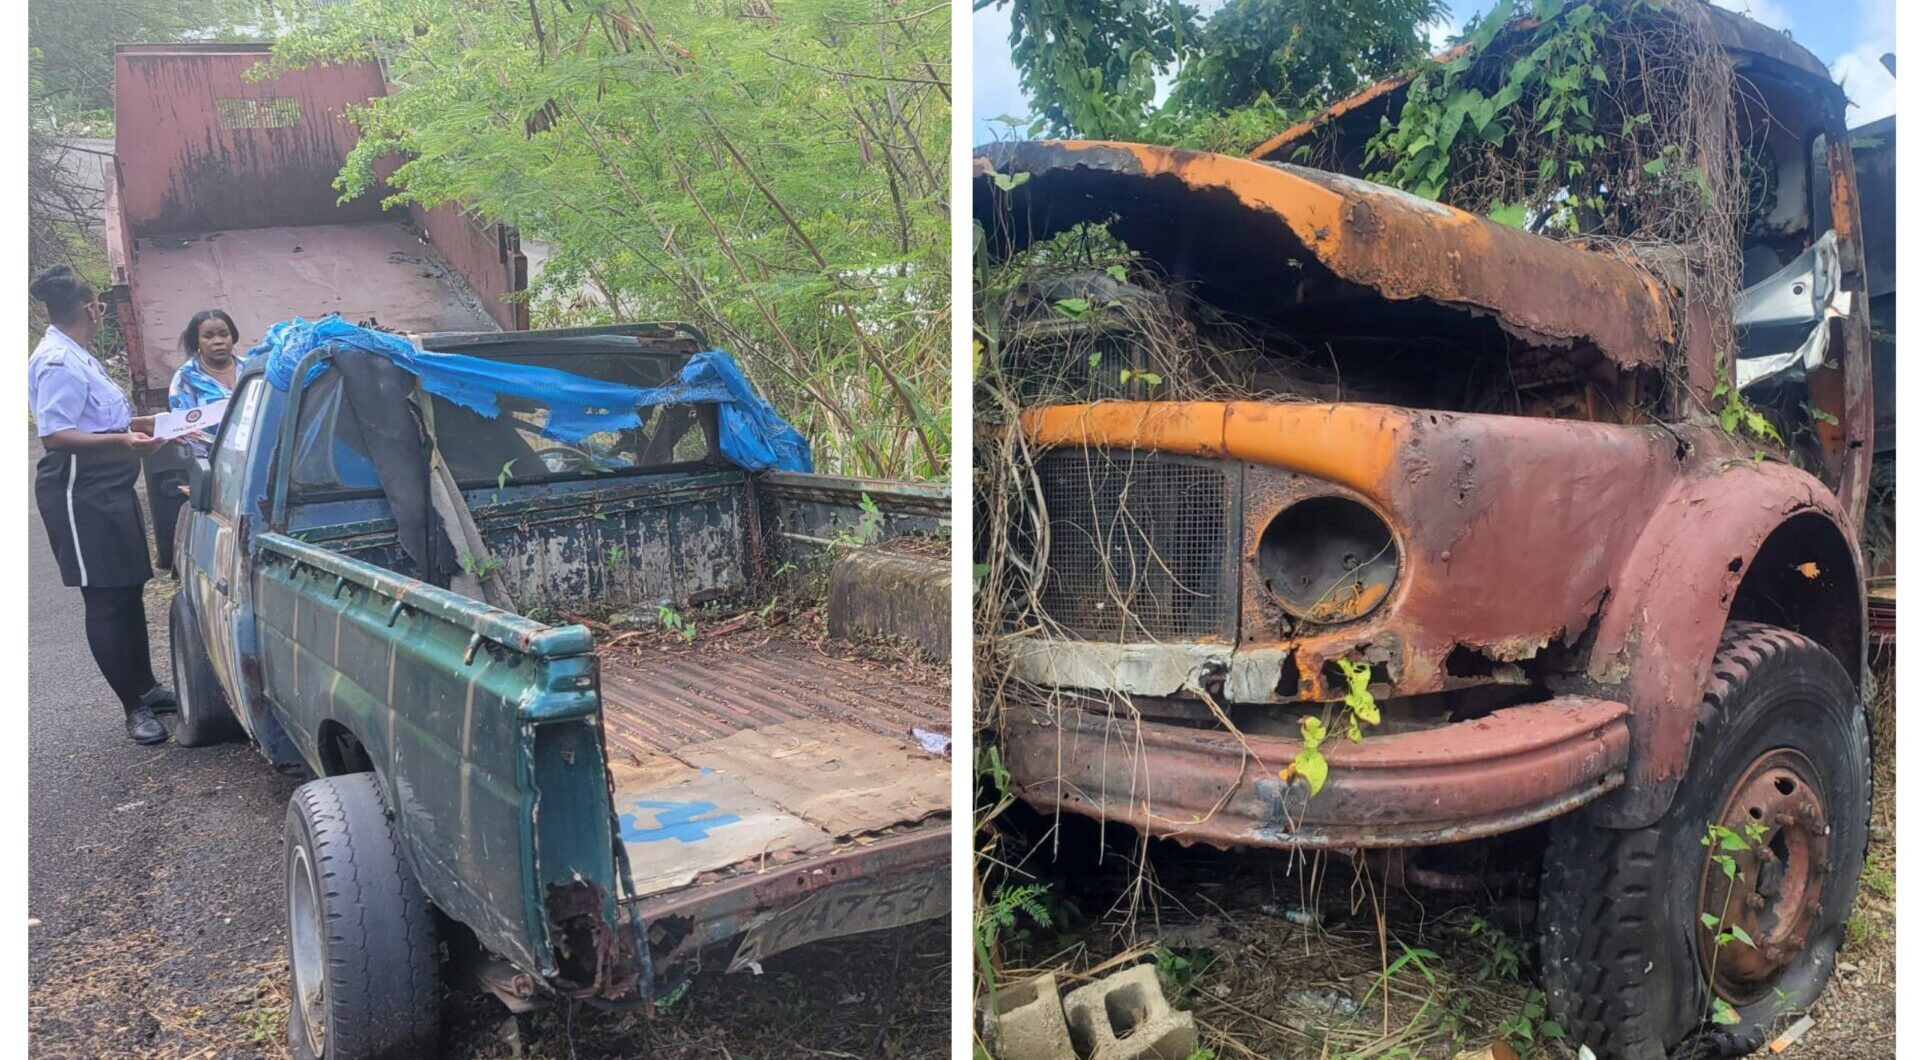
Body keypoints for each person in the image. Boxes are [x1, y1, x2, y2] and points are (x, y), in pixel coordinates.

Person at [28, 265, 176, 745]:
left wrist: (147, 423)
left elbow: (95, 419)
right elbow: (55, 435)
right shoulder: (55, 360)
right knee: (106, 598)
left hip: (110, 488)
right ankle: (132, 708)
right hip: (79, 493)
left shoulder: (80, 355)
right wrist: (122, 439)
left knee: (130, 587)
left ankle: (147, 687)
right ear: (90, 307)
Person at [169, 309, 241, 457]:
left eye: (224, 334)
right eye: (208, 336)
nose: (218, 341)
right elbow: (185, 429)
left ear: (232, 337)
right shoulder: (186, 378)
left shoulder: (252, 369)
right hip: (211, 457)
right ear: (197, 342)